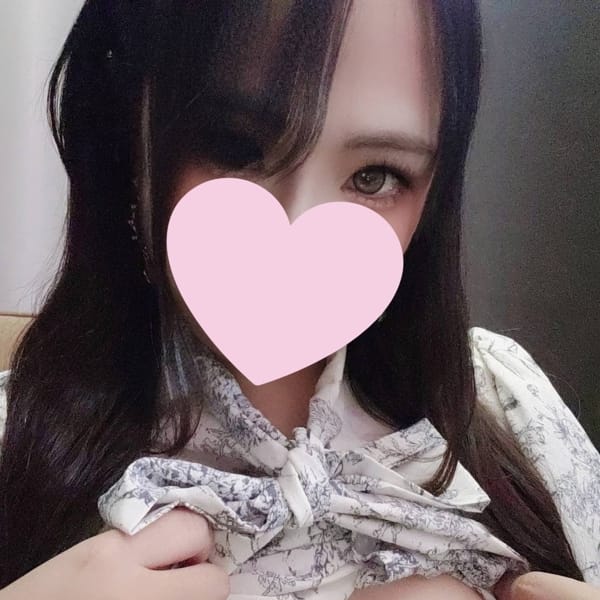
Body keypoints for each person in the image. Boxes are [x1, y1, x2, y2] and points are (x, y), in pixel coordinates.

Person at [0, 0, 598, 599]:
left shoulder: (501, 395)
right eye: (236, 148)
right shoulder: (16, 442)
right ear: (131, 138)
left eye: (374, 176)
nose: (296, 225)